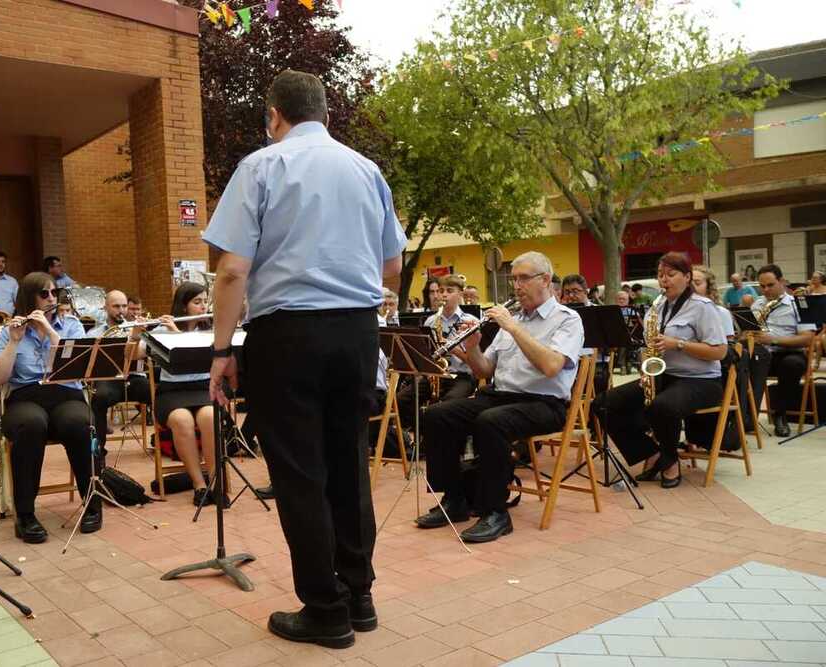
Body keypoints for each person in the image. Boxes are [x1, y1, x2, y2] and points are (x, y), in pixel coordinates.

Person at [202, 70, 406, 649]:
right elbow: (391, 269)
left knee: (300, 475)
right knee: (347, 465)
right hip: (356, 331)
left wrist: (222, 351)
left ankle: (325, 610)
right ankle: (359, 596)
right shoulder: (366, 170)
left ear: (273, 116)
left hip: (287, 334)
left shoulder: (262, 166)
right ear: (325, 113)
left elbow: (233, 269)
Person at [415, 251, 583, 541]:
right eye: (514, 279)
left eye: (523, 279)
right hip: (501, 396)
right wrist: (472, 347)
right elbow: (484, 371)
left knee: (490, 421)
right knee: (438, 414)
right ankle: (455, 499)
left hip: (544, 403)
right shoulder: (513, 320)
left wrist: (514, 328)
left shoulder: (567, 319)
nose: (516, 286)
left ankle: (495, 512)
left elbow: (551, 366)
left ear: (545, 280)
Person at [593, 252, 726, 489]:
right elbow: (648, 344)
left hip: (701, 381)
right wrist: (647, 361)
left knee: (662, 406)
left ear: (686, 277)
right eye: (660, 275)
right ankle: (650, 453)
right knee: (603, 403)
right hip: (665, 375)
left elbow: (719, 351)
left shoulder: (703, 307)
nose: (664, 280)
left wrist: (679, 344)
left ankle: (670, 460)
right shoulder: (658, 306)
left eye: (670, 275)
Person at [0, 273, 101, 543]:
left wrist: (49, 331)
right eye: (44, 294)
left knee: (78, 423)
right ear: (29, 298)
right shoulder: (7, 331)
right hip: (25, 396)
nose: (51, 299)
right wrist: (14, 341)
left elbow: (77, 368)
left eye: (53, 293)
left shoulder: (70, 325)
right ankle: (25, 515)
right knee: (30, 425)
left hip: (65, 393)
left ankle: (93, 504)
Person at [152, 282, 218, 507]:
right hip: (171, 393)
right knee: (182, 421)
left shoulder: (209, 330)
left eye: (204, 302)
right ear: (183, 305)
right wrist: (136, 332)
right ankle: (199, 485)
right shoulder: (162, 329)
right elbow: (134, 355)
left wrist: (177, 334)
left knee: (210, 417)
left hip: (202, 389)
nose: (202, 307)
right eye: (197, 302)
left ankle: (215, 483)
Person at [397, 275, 478, 432]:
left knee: (447, 404)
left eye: (450, 291)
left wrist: (451, 347)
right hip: (435, 376)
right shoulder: (431, 321)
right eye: (441, 291)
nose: (444, 295)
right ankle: (424, 433)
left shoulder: (470, 321)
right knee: (401, 400)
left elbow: (475, 362)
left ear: (460, 294)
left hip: (462, 377)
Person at [683, 265, 748, 452]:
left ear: (708, 287)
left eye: (698, 283)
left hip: (713, 371)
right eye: (690, 283)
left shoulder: (720, 312)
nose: (693, 287)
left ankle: (709, 436)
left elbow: (726, 350)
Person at [748, 264, 816, 437]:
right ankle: (745, 417)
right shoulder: (756, 305)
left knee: (791, 365)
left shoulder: (799, 304)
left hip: (788, 352)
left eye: (770, 285)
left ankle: (780, 415)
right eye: (762, 286)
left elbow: (808, 339)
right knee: (740, 363)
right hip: (761, 354)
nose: (766, 290)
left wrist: (774, 340)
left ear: (782, 282)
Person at [87, 289, 151, 466]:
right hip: (109, 379)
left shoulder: (137, 330)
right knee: (98, 398)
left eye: (124, 306)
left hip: (134, 378)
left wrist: (136, 336)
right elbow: (88, 363)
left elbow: (140, 356)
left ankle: (168, 443)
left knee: (158, 393)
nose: (121, 310)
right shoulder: (94, 333)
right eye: (116, 306)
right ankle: (98, 451)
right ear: (105, 307)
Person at [561, 274, 608, 397]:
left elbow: (610, 344)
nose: (571, 296)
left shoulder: (599, 312)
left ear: (585, 292)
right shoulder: (561, 314)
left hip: (594, 364)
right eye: (567, 292)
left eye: (575, 291)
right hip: (567, 364)